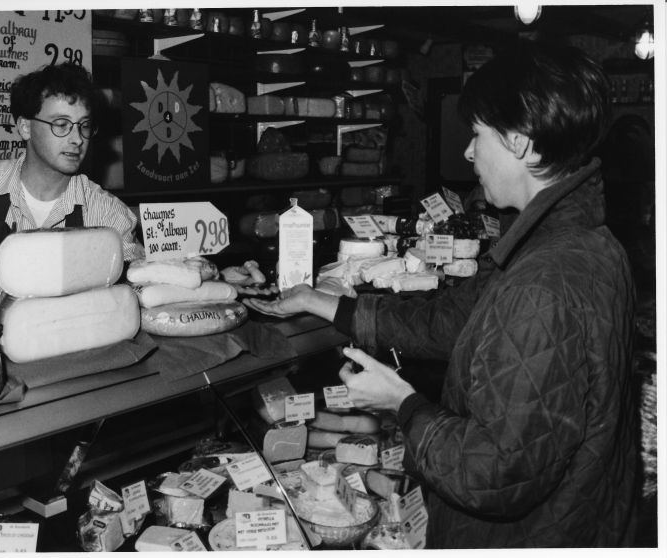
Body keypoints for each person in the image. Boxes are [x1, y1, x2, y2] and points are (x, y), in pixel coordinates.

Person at [245, 40, 638, 548]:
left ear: (520, 143)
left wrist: (403, 404)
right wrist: (319, 301)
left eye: (478, 134)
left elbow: (491, 474)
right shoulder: (583, 242)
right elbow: (448, 322)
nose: (469, 152)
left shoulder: (543, 282)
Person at [0, 63, 144, 300]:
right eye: (61, 124)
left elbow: (136, 294)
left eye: (84, 126)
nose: (77, 139)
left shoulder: (110, 215)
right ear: (25, 127)